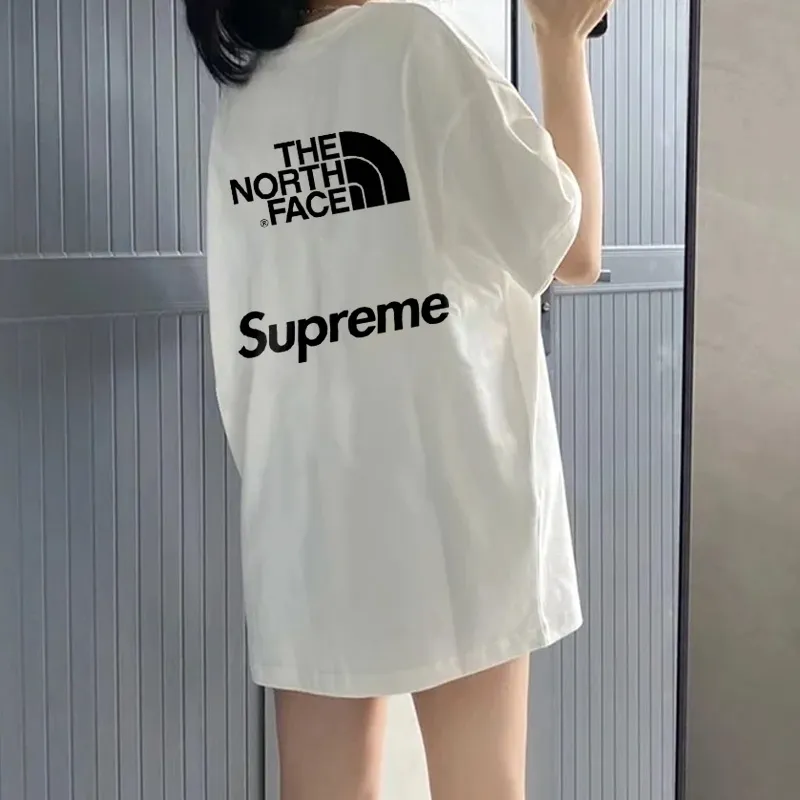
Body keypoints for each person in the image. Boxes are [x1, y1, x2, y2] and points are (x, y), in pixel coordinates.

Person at [183, 0, 610, 797]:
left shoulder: (251, 94)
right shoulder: (413, 42)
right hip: (453, 497)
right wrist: (559, 44)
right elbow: (574, 252)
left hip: (306, 509)